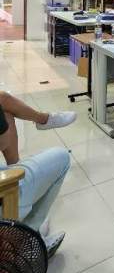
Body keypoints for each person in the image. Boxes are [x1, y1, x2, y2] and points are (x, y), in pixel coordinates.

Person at [0, 92, 77, 258]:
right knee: (62, 157)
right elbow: (3, 142)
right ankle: (28, 236)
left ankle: (44, 120)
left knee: (4, 104)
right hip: (4, 191)